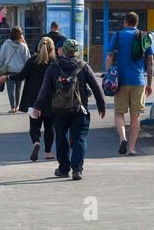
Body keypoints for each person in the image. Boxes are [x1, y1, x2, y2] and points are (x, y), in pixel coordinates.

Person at [33, 39, 106, 180]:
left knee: (61, 138)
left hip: (59, 110)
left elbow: (45, 89)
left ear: (63, 51)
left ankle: (64, 168)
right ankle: (77, 169)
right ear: (77, 52)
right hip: (80, 109)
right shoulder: (84, 67)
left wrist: (38, 106)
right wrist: (101, 106)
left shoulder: (54, 67)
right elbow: (96, 88)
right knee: (79, 138)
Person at [0, 37, 56, 161]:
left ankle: (36, 142)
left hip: (33, 100)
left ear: (38, 47)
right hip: (49, 100)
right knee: (49, 127)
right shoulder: (54, 63)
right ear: (52, 48)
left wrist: (6, 77)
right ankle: (48, 153)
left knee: (34, 126)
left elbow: (21, 76)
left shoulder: (32, 61)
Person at [105, 12, 154, 155]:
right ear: (137, 23)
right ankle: (132, 148)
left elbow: (109, 57)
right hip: (139, 81)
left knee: (119, 113)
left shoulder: (118, 35)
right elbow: (150, 60)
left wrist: (108, 73)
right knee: (135, 115)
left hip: (120, 81)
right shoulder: (145, 36)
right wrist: (149, 83)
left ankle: (122, 138)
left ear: (125, 22)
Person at [0, 26, 30, 113]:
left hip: (9, 70)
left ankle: (12, 107)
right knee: (18, 89)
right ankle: (17, 106)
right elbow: (28, 59)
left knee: (10, 89)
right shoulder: (23, 46)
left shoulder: (6, 44)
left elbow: (2, 57)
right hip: (20, 71)